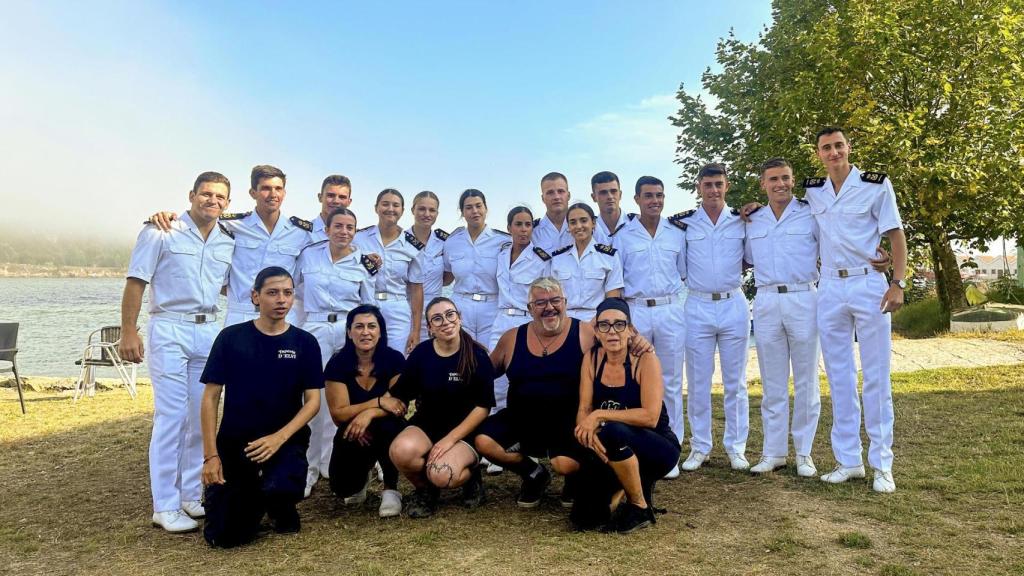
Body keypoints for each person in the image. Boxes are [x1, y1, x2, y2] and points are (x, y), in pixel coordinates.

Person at [119, 171, 235, 533]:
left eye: (219, 197)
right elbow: (137, 281)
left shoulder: (227, 240)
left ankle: (189, 494)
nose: (212, 201)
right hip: (170, 326)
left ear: (228, 203)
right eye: (205, 194)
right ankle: (164, 505)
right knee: (171, 417)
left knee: (202, 415)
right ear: (191, 195)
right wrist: (128, 331)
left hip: (209, 330)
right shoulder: (160, 231)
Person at [805, 127, 907, 493]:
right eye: (825, 148)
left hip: (868, 283)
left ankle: (883, 465)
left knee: (877, 376)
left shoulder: (875, 184)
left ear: (848, 148)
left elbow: (895, 234)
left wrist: (897, 282)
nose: (833, 153)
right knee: (839, 377)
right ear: (818, 153)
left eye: (838, 146)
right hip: (829, 286)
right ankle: (849, 460)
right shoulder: (812, 192)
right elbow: (784, 209)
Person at [199, 266, 323, 547]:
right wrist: (211, 457)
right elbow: (210, 397)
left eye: (288, 293)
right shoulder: (230, 338)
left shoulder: (305, 343)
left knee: (279, 486)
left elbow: (313, 401)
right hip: (237, 442)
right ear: (255, 297)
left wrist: (278, 439)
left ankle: (280, 505)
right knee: (225, 537)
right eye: (272, 293)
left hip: (285, 441)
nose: (282, 300)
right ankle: (247, 498)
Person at [148, 165, 313, 326]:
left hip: (282, 318)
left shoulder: (300, 233)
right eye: (266, 188)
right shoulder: (231, 225)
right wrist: (168, 216)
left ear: (284, 192)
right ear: (252, 192)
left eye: (278, 188)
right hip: (240, 316)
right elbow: (201, 218)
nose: (273, 194)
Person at [477, 277, 590, 508]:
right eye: (540, 303)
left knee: (565, 464)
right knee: (484, 440)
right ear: (529, 309)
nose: (549, 307)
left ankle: (575, 479)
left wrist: (637, 342)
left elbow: (614, 362)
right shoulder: (511, 338)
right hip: (522, 420)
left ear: (565, 302)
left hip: (568, 423)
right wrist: (464, 354)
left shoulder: (585, 333)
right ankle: (533, 474)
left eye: (555, 300)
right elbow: (485, 373)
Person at [572, 297, 681, 533]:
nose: (612, 331)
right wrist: (587, 438)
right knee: (585, 519)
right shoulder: (591, 359)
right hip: (613, 447)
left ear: (630, 329)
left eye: (619, 325)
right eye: (604, 325)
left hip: (657, 447)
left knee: (612, 430)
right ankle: (623, 487)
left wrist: (601, 414)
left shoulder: (645, 359)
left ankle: (639, 506)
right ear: (597, 331)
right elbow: (584, 409)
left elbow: (650, 417)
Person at [743, 158, 822, 476]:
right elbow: (745, 260)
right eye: (773, 179)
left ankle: (804, 453)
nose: (781, 184)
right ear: (762, 184)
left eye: (786, 178)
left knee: (806, 380)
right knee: (772, 380)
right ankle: (773, 452)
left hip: (804, 297)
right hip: (765, 300)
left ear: (793, 180)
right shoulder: (752, 220)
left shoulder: (810, 213)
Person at [388, 297, 496, 518]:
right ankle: (425, 491)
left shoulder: (477, 355)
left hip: (466, 431)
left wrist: (450, 440)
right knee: (400, 451)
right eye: (437, 319)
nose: (445, 322)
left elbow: (483, 408)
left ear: (459, 318)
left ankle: (471, 477)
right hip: (427, 424)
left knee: (441, 473)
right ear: (430, 328)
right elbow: (399, 395)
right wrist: (371, 409)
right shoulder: (421, 354)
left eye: (450, 314)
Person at [675, 163, 751, 473]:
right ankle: (700, 446)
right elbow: (680, 267)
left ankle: (736, 447)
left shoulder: (742, 221)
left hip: (733, 303)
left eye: (718, 184)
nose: (713, 190)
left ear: (727, 185)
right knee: (698, 382)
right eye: (707, 184)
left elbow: (749, 258)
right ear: (698, 187)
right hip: (698, 305)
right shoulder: (685, 225)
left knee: (736, 382)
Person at [610, 176, 687, 478]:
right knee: (636, 381)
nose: (655, 200)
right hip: (637, 312)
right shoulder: (623, 236)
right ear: (636, 199)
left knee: (671, 381)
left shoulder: (676, 233)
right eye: (648, 196)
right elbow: (618, 281)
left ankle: (672, 449)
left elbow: (681, 274)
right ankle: (639, 448)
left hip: (669, 310)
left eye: (659, 195)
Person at [295, 207, 376, 496]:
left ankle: (332, 461)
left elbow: (368, 307)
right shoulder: (309, 255)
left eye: (350, 227)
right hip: (314, 328)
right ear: (327, 229)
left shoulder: (364, 264)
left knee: (341, 398)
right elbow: (294, 290)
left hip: (346, 332)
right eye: (338, 226)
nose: (344, 231)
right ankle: (309, 466)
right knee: (312, 396)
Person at [323, 305, 409, 518]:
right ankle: (361, 478)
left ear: (380, 331)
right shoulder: (337, 364)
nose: (365, 332)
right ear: (349, 332)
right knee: (342, 488)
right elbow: (338, 414)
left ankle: (391, 488)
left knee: (389, 425)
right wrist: (378, 401)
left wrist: (367, 414)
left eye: (372, 326)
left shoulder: (395, 359)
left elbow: (398, 405)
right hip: (354, 431)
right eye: (359, 326)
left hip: (386, 426)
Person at [488, 206, 552, 412]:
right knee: (494, 376)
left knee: (524, 376)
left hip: (526, 322)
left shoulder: (541, 259)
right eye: (519, 224)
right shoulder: (501, 254)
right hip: (500, 320)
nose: (524, 229)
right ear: (509, 228)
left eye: (528, 225)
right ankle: (493, 420)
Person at [353, 189, 425, 355]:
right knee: (364, 359)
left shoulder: (412, 245)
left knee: (397, 360)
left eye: (396, 205)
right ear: (376, 207)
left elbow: (416, 288)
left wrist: (415, 330)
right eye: (385, 204)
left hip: (397, 310)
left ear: (402, 210)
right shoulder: (358, 238)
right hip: (365, 305)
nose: (390, 209)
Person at [442, 189, 508, 347]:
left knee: (490, 355)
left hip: (492, 305)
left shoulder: (503, 241)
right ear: (462, 212)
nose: (475, 211)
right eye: (469, 207)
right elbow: (445, 278)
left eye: (479, 206)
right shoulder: (451, 242)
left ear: (486, 208)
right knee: (461, 355)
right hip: (461, 306)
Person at [549, 203, 624, 321]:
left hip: (597, 320)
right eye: (573, 222)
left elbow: (612, 299)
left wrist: (594, 324)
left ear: (593, 223)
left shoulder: (609, 256)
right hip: (564, 321)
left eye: (583, 221)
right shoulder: (558, 258)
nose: (579, 226)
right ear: (568, 227)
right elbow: (552, 296)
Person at [407, 191, 448, 343]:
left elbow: (448, 278)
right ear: (413, 210)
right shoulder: (401, 240)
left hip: (434, 312)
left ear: (437, 213)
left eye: (432, 210)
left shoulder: (444, 242)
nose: (427, 214)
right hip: (406, 311)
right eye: (421, 209)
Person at [531, 172, 575, 252]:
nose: (556, 197)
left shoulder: (586, 227)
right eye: (550, 193)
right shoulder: (532, 233)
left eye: (561, 191)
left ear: (568, 195)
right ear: (543, 198)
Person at [590, 171, 632, 245]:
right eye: (603, 192)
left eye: (613, 191)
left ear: (620, 194)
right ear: (594, 197)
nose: (610, 196)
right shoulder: (589, 230)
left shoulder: (637, 224)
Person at [310, 174, 353, 243]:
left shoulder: (356, 238)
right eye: (330, 195)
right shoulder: (303, 232)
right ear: (320, 197)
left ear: (349, 202)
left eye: (342, 197)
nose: (336, 201)